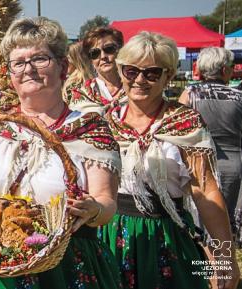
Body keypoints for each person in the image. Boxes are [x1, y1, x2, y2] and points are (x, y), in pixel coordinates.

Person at [0, 16, 122, 289]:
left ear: (63, 67)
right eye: (18, 63)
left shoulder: (88, 129)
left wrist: (93, 209)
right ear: (9, 74)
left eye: (40, 59)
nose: (28, 69)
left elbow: (107, 203)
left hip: (64, 268)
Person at [101, 32, 240, 289]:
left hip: (168, 234)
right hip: (112, 234)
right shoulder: (105, 122)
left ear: (167, 76)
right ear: (121, 72)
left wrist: (224, 257)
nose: (140, 80)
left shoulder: (186, 123)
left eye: (152, 73)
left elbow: (206, 191)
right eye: (131, 71)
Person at [178, 47, 242, 242]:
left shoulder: (190, 94)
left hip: (199, 165)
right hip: (233, 164)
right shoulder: (238, 96)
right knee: (225, 222)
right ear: (224, 70)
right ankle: (222, 266)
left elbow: (178, 131)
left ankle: (204, 265)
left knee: (201, 221)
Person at [67, 27, 126, 115]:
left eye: (109, 49)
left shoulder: (136, 88)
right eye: (95, 53)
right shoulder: (82, 94)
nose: (103, 56)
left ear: (121, 51)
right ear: (90, 59)